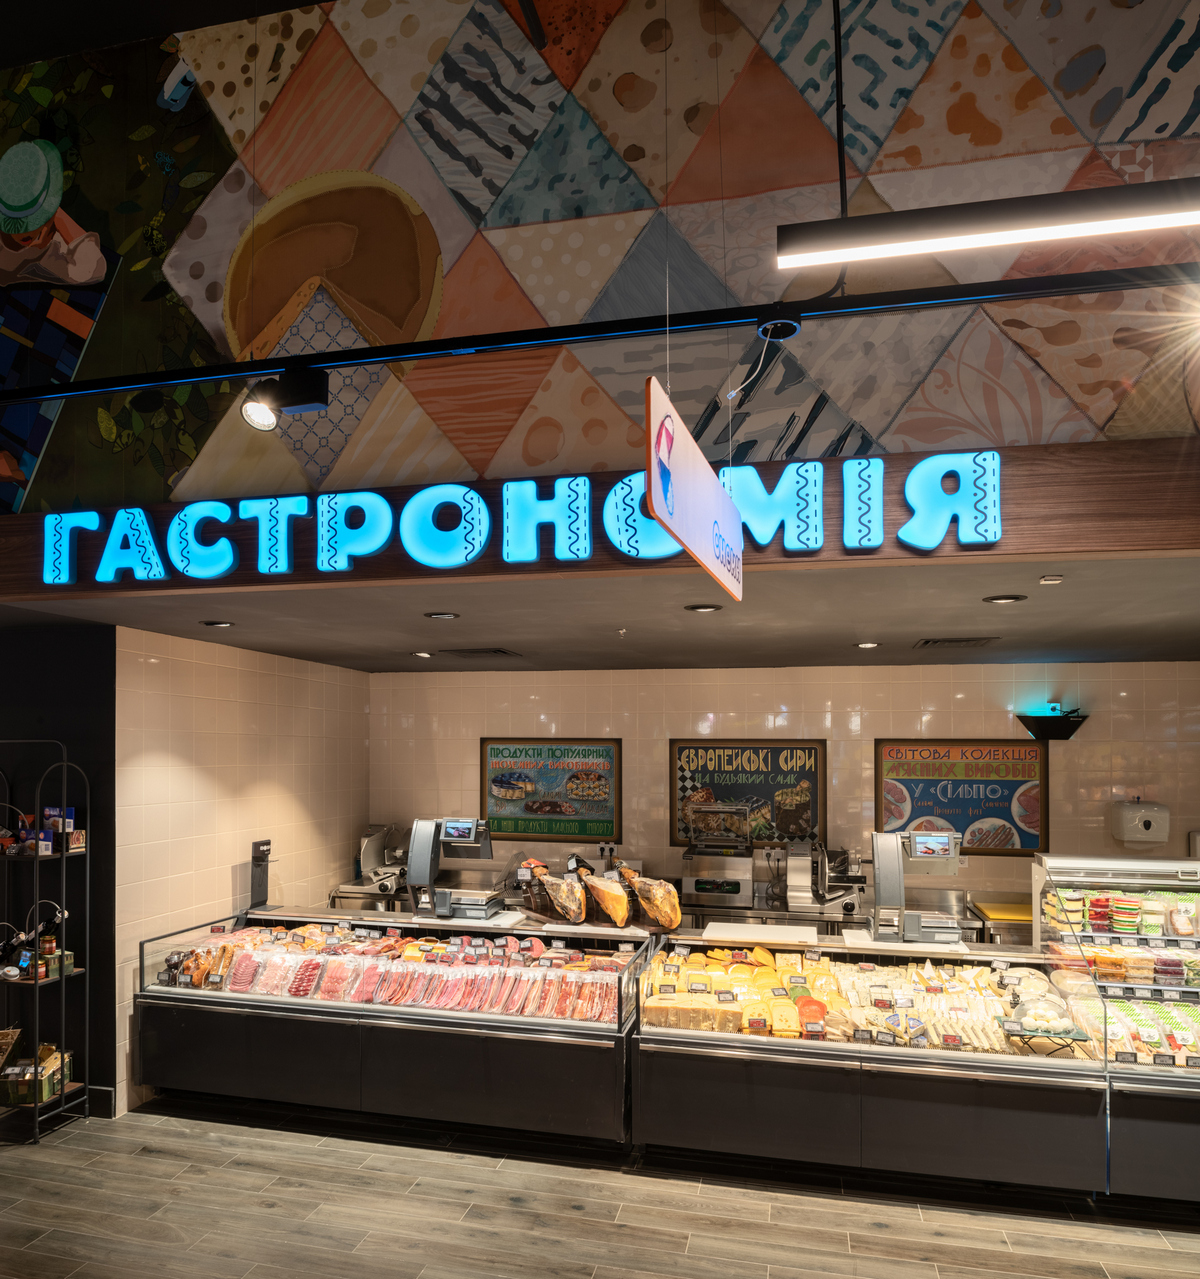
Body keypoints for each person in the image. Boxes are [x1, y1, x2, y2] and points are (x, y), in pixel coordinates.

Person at [0, 139, 104, 289]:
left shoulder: (53, 248)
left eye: (33, 220)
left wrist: (58, 216)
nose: (23, 232)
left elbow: (94, 271)